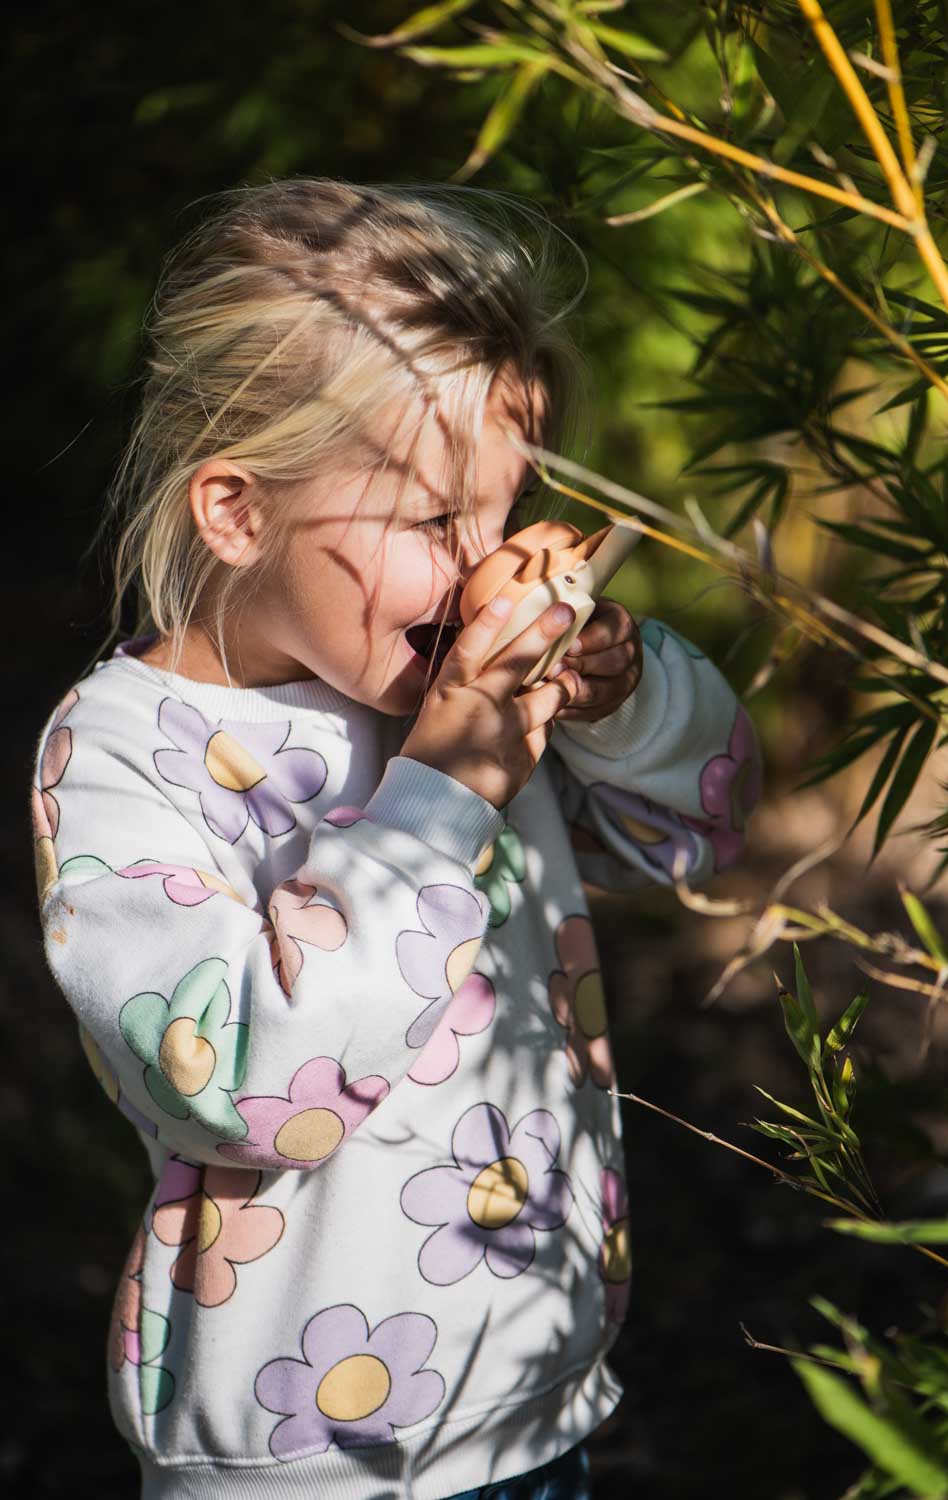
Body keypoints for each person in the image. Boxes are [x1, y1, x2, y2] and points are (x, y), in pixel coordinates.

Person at [31, 178, 762, 1500]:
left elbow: (692, 838)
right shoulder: (124, 759)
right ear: (237, 512)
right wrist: (447, 778)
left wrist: (627, 700)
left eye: (511, 506)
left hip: (536, 1394)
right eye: (435, 524)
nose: (493, 567)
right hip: (306, 1460)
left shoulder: (445, 686)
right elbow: (253, 1085)